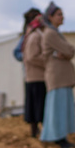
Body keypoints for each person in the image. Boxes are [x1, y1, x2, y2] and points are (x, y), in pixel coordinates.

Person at [39, 2, 75, 148]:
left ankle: (60, 136)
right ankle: (59, 137)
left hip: (60, 77)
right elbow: (70, 50)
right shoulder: (51, 34)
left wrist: (67, 52)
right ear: (51, 17)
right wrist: (67, 52)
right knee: (58, 108)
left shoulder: (54, 33)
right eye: (59, 14)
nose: (62, 17)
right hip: (57, 77)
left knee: (60, 108)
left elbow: (70, 51)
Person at [21, 8, 47, 139]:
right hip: (37, 77)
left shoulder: (29, 35)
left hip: (32, 76)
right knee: (39, 107)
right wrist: (47, 61)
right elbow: (32, 57)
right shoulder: (35, 36)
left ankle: (36, 132)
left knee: (35, 107)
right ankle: (41, 133)